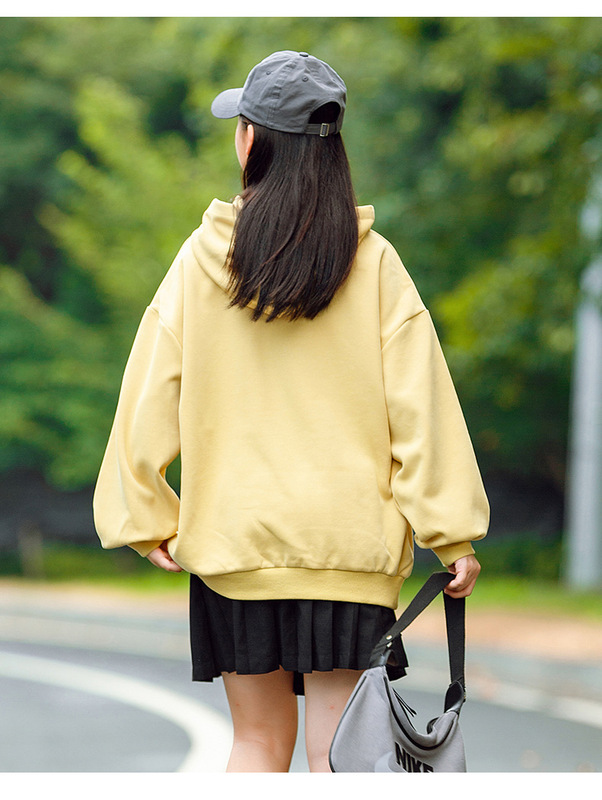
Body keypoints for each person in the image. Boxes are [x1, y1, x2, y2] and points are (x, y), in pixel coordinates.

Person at [93, 50, 489, 773]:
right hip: (348, 549)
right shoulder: (372, 263)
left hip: (236, 546)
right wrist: (452, 531)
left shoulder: (204, 259)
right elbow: (421, 407)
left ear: (251, 139)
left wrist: (142, 513)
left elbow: (150, 389)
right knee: (338, 749)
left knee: (255, 742)